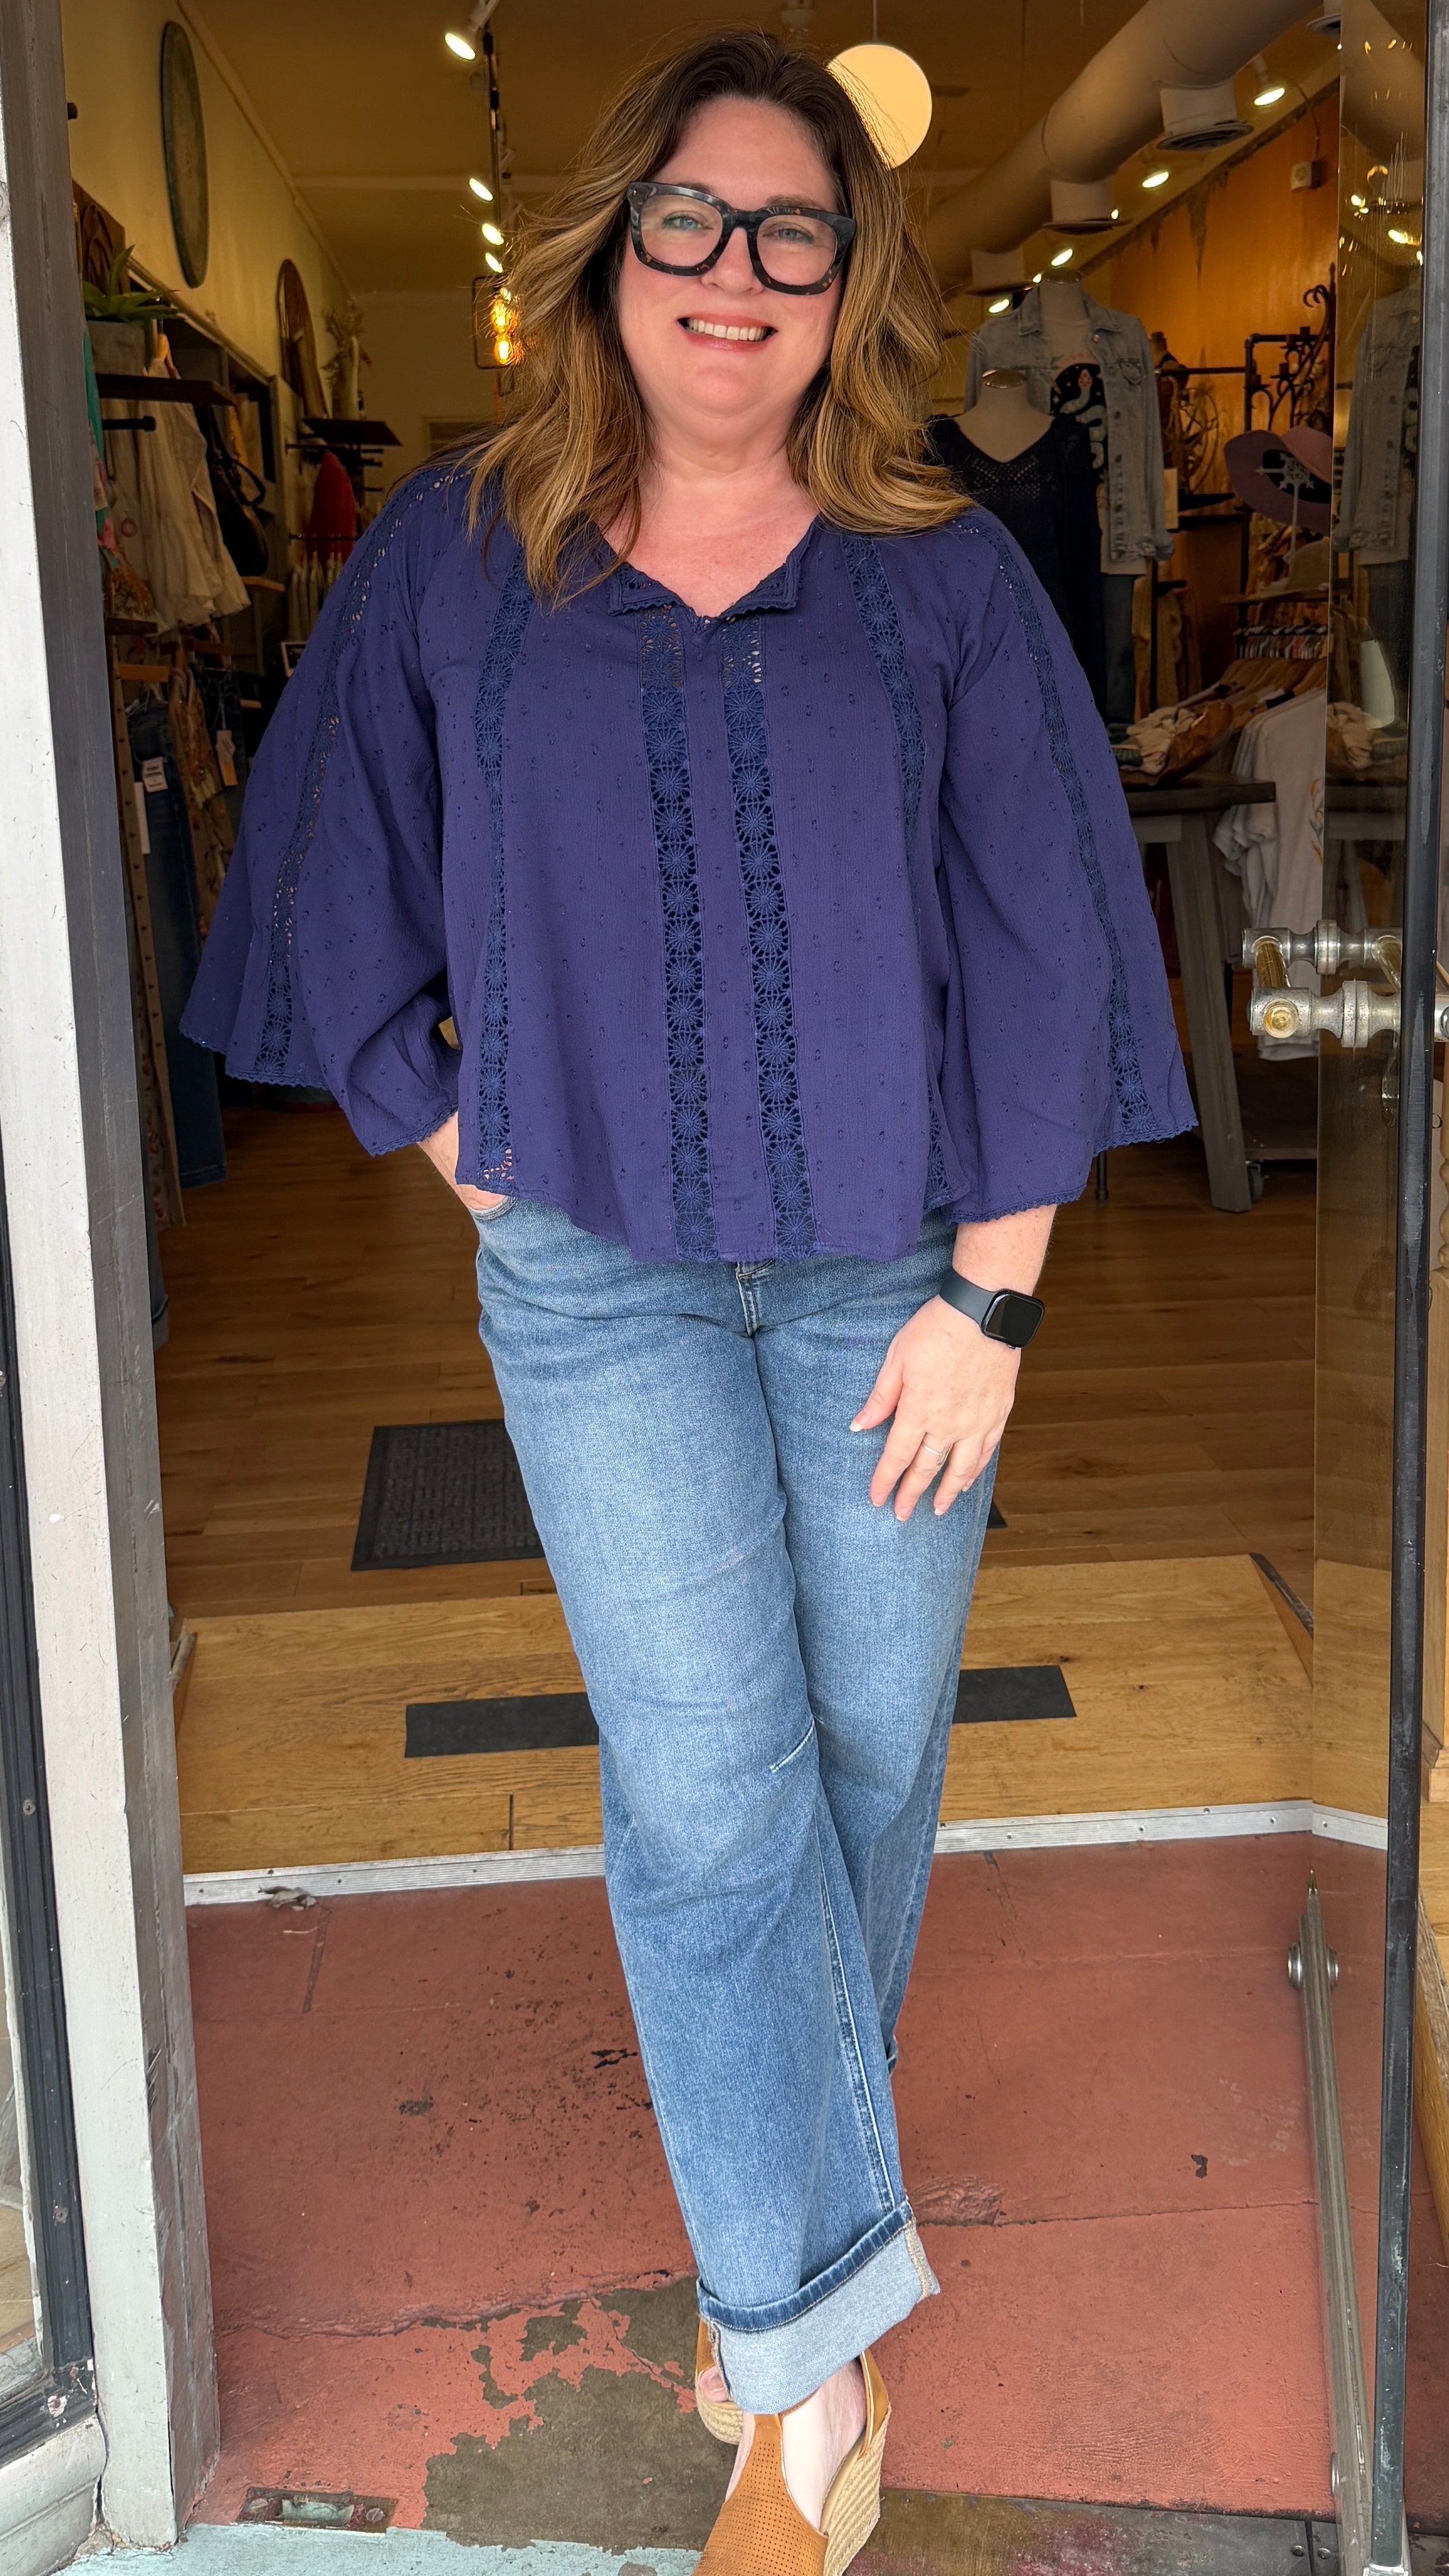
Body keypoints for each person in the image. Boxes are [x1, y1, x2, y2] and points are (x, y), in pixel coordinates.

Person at [184, 28, 1191, 2572]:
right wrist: (472, 1158)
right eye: (692, 221)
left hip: (897, 1283)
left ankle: (788, 2245)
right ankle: (808, 2383)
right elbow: (334, 870)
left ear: (847, 280)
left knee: (865, 1759)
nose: (736, 273)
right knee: (712, 1786)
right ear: (610, 250)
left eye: (791, 231)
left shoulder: (939, 570)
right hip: (598, 1291)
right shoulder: (458, 552)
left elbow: (1040, 922)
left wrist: (994, 1304)